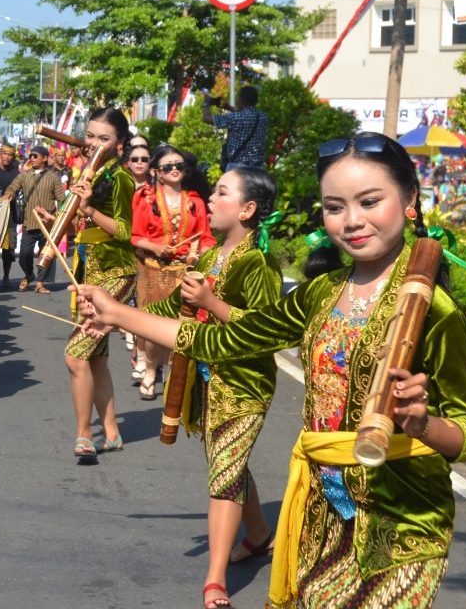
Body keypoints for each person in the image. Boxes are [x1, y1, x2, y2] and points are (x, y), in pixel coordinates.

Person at [77, 132, 466, 609]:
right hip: (322, 511)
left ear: (410, 199)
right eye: (335, 207)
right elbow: (227, 338)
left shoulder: (433, 309)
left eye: (370, 202)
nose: (352, 221)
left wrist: (424, 424)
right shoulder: (321, 293)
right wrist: (117, 314)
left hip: (402, 525)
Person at [140, 166, 283, 609]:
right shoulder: (208, 257)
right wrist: (113, 310)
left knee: (224, 474)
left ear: (248, 209)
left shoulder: (259, 263)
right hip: (206, 383)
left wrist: (211, 303)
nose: (211, 198)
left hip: (243, 386)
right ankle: (258, 535)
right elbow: (170, 305)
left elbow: (269, 332)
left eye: (222, 192)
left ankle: (215, 581)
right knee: (229, 463)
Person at [37, 107, 138, 456]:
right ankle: (111, 433)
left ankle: (84, 434)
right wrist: (59, 216)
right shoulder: (90, 171)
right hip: (89, 270)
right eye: (91, 135)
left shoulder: (121, 178)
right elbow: (85, 222)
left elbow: (125, 232)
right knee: (95, 359)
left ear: (120, 144)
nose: (94, 143)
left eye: (104, 138)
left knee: (76, 356)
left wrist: (89, 208)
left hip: (115, 272)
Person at [131, 145, 215, 399]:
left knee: (178, 329)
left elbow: (207, 239)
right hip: (154, 272)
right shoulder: (147, 200)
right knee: (154, 329)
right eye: (168, 166)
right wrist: (156, 247)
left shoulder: (196, 203)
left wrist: (197, 253)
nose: (175, 170)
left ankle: (169, 372)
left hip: (184, 273)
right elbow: (136, 237)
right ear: (157, 172)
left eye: (179, 166)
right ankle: (150, 369)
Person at [0, 144, 64, 293]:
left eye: (35, 156)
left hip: (47, 225)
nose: (31, 159)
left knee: (45, 256)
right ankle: (29, 275)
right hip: (29, 222)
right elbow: (12, 188)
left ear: (45, 158)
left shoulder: (53, 177)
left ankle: (40, 283)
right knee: (24, 255)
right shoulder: (25, 175)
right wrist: (9, 195)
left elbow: (62, 199)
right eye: (30, 156)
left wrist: (58, 218)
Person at [203, 85, 269, 171]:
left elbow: (207, 118)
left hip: (237, 167)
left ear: (241, 100)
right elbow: (246, 117)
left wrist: (206, 103)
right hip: (257, 168)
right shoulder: (263, 116)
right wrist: (230, 108)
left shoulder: (236, 117)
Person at [0, 143, 21, 292]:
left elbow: (20, 192)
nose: (7, 157)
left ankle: (6, 276)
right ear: (0, 154)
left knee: (8, 250)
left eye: (10, 154)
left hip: (10, 215)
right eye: (5, 153)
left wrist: (11, 196)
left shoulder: (17, 173)